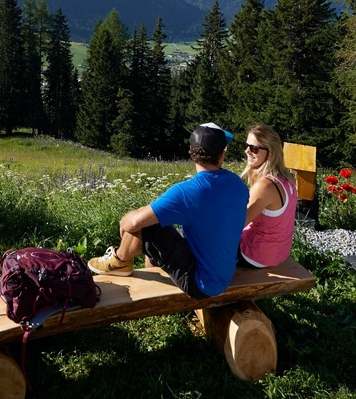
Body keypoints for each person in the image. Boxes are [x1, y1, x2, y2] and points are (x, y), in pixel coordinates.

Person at [87, 122, 249, 299]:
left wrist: (125, 222)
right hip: (224, 271)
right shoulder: (237, 184)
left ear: (192, 153)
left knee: (147, 226)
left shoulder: (188, 191)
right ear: (221, 154)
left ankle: (118, 262)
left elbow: (133, 222)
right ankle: (129, 264)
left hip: (201, 284)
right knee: (154, 219)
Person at [238, 124, 298, 268]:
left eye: (254, 148)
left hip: (254, 256)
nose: (247, 151)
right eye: (246, 145)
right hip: (278, 253)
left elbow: (238, 224)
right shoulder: (288, 181)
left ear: (270, 153)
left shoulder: (265, 186)